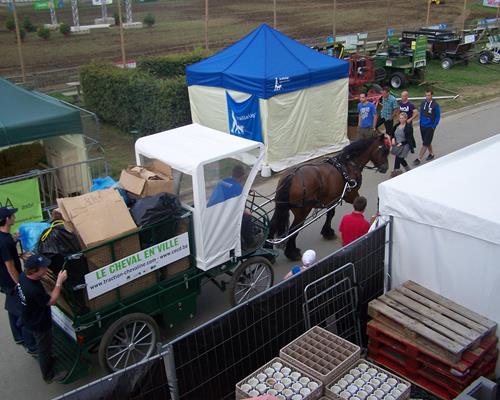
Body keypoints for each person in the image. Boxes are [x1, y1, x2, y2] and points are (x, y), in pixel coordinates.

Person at [17, 254, 67, 383]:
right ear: (35, 271)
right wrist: (59, 282)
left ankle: (48, 359)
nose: (46, 269)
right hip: (39, 323)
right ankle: (49, 376)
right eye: (43, 267)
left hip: (29, 317)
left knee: (44, 345)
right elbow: (51, 301)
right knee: (44, 348)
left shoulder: (23, 277)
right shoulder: (33, 290)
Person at [0, 207, 37, 353]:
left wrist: (14, 239)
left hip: (4, 281)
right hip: (11, 281)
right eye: (12, 215)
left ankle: (18, 336)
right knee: (25, 311)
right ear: (7, 219)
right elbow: (10, 266)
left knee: (12, 306)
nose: (14, 216)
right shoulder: (4, 243)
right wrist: (20, 284)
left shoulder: (5, 237)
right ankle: (31, 345)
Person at [414, 89, 441, 165]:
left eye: (428, 95)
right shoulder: (423, 103)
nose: (427, 97)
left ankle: (419, 158)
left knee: (425, 143)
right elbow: (421, 113)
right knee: (427, 141)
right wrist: (420, 122)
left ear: (431, 95)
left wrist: (433, 126)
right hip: (422, 126)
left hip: (430, 127)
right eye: (426, 95)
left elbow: (438, 116)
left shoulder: (435, 105)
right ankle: (431, 154)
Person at [390, 112, 416, 177]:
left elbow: (409, 139)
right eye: (400, 118)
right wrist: (393, 139)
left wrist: (401, 143)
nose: (400, 119)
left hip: (405, 145)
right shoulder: (396, 126)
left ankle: (396, 171)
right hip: (398, 144)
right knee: (400, 159)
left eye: (402, 118)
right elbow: (392, 133)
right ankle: (408, 170)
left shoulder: (408, 127)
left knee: (398, 157)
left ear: (405, 119)